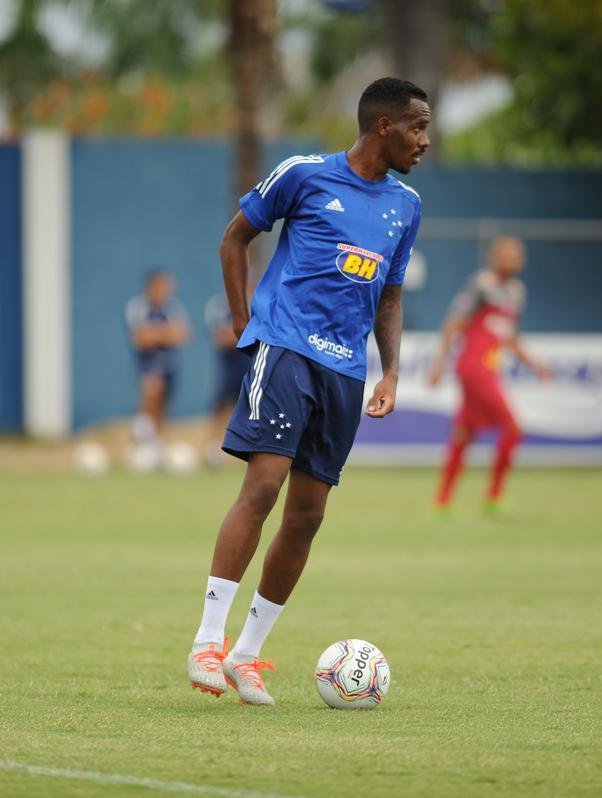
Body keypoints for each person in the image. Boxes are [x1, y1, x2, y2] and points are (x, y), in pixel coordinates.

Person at [186, 77, 428, 705]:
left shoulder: (407, 205)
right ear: (383, 126)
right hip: (287, 347)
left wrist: (391, 370)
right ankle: (207, 642)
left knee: (309, 514)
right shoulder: (305, 173)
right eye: (418, 127)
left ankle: (246, 656)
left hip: (345, 371)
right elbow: (235, 237)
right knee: (263, 485)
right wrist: (245, 325)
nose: (425, 141)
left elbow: (391, 294)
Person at [426, 236, 549, 514]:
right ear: (494, 257)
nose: (513, 260)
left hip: (489, 368)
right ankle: (493, 497)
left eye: (517, 255)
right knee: (512, 428)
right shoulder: (481, 286)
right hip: (474, 368)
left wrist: (535, 364)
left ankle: (442, 502)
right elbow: (454, 323)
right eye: (506, 255)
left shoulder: (517, 292)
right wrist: (438, 364)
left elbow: (510, 337)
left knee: (464, 433)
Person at [125, 269, 189, 468]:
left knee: (163, 408)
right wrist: (165, 334)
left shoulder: (172, 307)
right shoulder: (138, 307)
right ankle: (140, 445)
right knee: (151, 395)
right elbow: (141, 338)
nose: (166, 290)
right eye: (162, 285)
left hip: (170, 365)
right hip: (149, 365)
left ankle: (155, 448)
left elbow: (182, 334)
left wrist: (156, 334)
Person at [204, 292, 253, 466]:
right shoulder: (218, 307)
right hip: (229, 366)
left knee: (253, 407)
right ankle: (212, 449)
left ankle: (249, 451)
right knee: (221, 406)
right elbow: (220, 337)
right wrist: (248, 334)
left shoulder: (256, 303)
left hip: (250, 364)